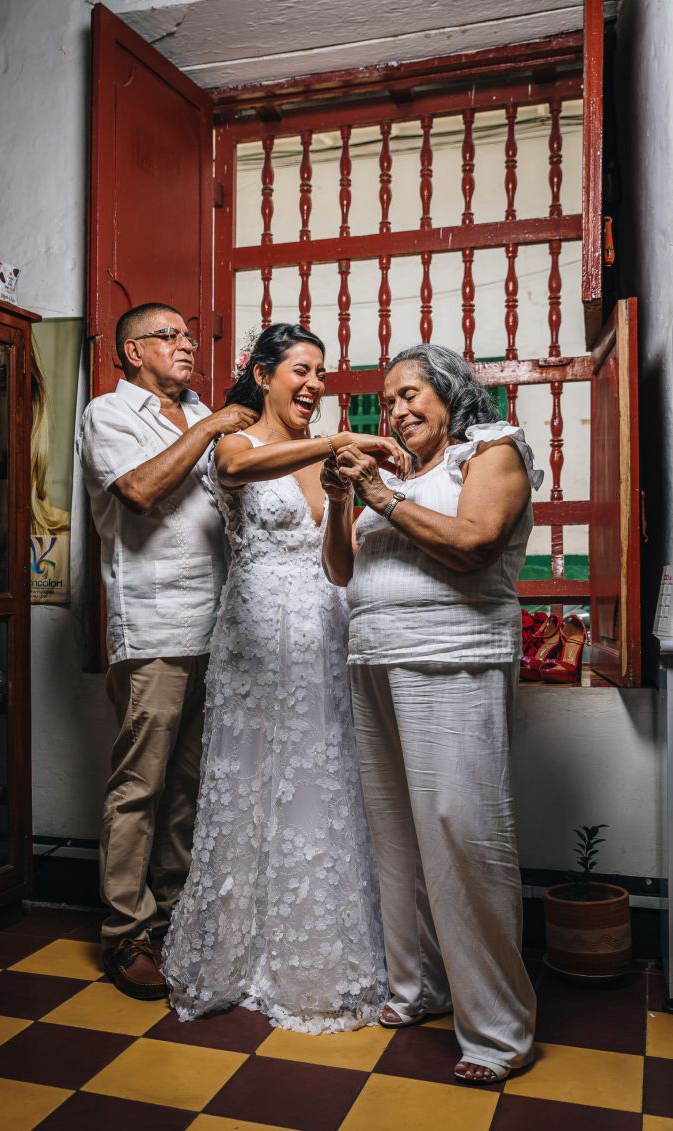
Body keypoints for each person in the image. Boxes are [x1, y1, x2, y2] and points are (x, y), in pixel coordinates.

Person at [161, 322, 411, 1032]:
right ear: (264, 374)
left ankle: (314, 954)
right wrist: (336, 442)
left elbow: (339, 566)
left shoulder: (321, 460)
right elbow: (236, 474)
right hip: (255, 636)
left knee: (320, 780)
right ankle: (235, 955)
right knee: (249, 784)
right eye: (301, 369)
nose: (315, 385)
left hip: (324, 634)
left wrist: (339, 496)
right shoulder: (237, 440)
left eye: (321, 373)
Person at [321, 342, 541, 1082]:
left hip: (453, 657)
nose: (397, 410)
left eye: (412, 393)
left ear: (450, 393)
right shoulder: (401, 478)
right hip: (374, 660)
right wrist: (347, 497)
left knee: (463, 831)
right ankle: (419, 986)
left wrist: (382, 496)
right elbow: (343, 568)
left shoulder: (492, 448)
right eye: (388, 401)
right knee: (397, 839)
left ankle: (499, 1031)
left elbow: (475, 543)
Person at [77, 302, 258, 999]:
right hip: (152, 628)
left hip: (213, 629)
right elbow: (142, 490)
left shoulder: (201, 412)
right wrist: (212, 426)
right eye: (171, 336)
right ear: (131, 351)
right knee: (140, 784)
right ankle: (125, 933)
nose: (188, 346)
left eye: (189, 336)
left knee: (186, 786)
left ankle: (174, 909)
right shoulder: (110, 415)